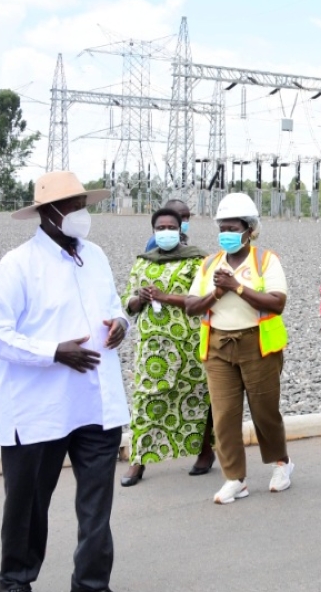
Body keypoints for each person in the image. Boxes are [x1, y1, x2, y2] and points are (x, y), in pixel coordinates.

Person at [0, 171, 130, 592]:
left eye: (84, 205)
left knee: (97, 508)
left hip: (96, 404)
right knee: (27, 506)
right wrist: (53, 352)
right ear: (48, 213)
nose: (83, 214)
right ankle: (16, 582)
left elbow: (115, 306)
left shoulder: (95, 255)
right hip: (41, 408)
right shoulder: (18, 265)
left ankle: (92, 584)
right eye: (74, 207)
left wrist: (121, 323)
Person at [184, 192, 293, 504]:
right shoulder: (209, 265)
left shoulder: (265, 261)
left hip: (257, 345)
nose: (227, 234)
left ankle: (281, 463)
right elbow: (192, 305)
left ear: (250, 229)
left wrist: (237, 287)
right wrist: (217, 293)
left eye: (233, 228)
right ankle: (235, 478)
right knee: (224, 415)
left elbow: (277, 302)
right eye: (222, 228)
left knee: (264, 411)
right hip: (218, 345)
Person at [120, 206, 212, 487]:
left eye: (171, 227)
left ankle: (205, 453)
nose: (166, 232)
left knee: (198, 397)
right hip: (153, 347)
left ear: (181, 229)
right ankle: (138, 461)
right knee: (146, 400)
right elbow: (128, 302)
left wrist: (166, 296)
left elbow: (205, 300)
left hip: (189, 342)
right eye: (160, 228)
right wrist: (141, 299)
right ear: (153, 231)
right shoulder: (143, 262)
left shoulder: (198, 261)